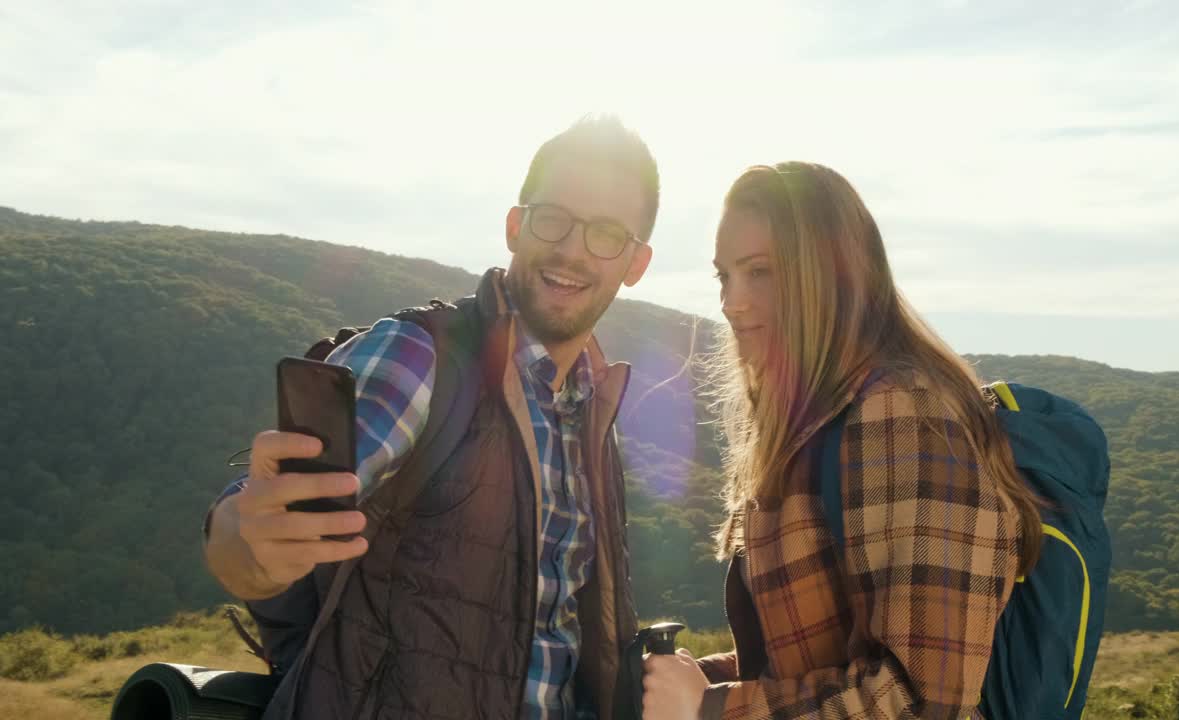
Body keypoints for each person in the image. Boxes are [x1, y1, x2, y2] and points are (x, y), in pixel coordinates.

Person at [202, 114, 658, 720]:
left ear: (635, 263)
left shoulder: (590, 410)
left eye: (606, 233)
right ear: (515, 226)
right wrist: (251, 538)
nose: (572, 249)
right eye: (554, 219)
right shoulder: (419, 357)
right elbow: (265, 521)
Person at [641, 162, 1043, 719]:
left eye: (760, 272)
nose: (732, 302)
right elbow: (813, 655)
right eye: (724, 277)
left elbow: (921, 700)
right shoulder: (817, 422)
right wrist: (697, 680)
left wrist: (711, 711)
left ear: (831, 276)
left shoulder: (903, 414)